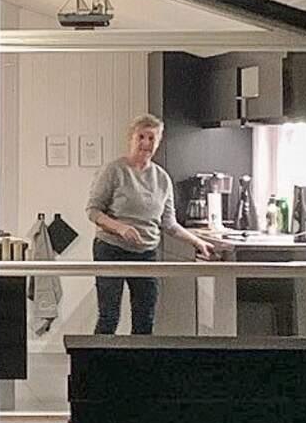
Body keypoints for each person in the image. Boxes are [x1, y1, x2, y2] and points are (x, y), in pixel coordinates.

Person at [85, 113, 223, 335]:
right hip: (111, 249)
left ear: (158, 143)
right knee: (109, 316)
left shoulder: (162, 178)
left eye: (152, 138)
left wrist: (198, 242)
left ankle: (140, 358)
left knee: (145, 317)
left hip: (146, 253)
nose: (146, 143)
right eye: (141, 137)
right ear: (131, 138)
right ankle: (100, 357)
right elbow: (93, 211)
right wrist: (120, 228)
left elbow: (169, 224)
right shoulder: (113, 171)